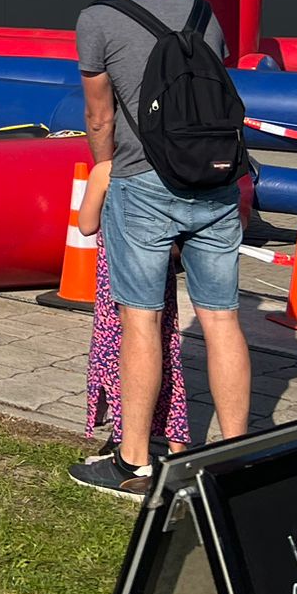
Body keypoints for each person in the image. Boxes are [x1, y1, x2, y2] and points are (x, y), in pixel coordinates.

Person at [69, 0, 249, 496]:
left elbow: (99, 114)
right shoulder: (203, 14)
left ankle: (134, 461)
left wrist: (106, 165)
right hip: (217, 181)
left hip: (143, 184)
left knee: (140, 317)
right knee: (221, 317)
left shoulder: (97, 17)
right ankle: (232, 452)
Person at [79, 159, 190, 463]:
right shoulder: (173, 169)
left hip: (117, 282)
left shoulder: (105, 171)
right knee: (166, 354)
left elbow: (86, 225)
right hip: (161, 275)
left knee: (119, 356)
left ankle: (128, 442)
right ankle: (177, 442)